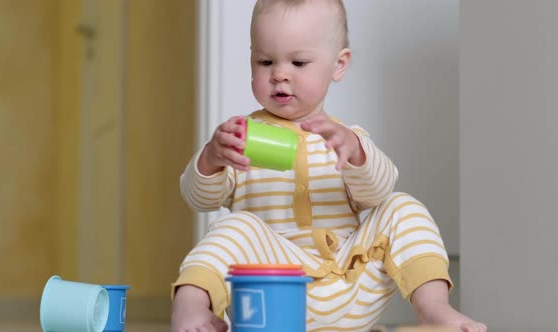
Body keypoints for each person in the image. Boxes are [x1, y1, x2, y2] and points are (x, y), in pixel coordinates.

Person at [171, 1, 487, 331]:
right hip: (275, 293)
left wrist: (356, 154)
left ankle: (434, 309)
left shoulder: (346, 141)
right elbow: (200, 200)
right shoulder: (238, 139)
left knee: (402, 206)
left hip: (349, 284)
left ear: (338, 65)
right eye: (265, 61)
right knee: (234, 226)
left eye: (298, 62)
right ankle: (191, 306)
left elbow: (378, 191)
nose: (279, 73)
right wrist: (211, 159)